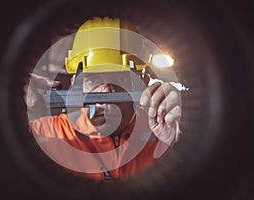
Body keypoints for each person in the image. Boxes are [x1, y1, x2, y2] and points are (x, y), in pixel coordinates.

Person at [25, 17, 182, 181]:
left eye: (120, 79)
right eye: (92, 80)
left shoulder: (165, 134)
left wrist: (178, 146)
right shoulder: (43, 134)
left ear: (143, 84)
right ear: (74, 86)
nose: (107, 90)